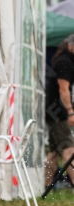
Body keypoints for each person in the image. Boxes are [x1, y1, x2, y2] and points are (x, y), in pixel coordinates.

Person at [45, 35, 74, 187]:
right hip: (58, 112)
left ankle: (45, 185)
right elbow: (63, 90)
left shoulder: (64, 60)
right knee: (69, 149)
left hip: (52, 111)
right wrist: (70, 112)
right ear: (70, 46)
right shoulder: (65, 62)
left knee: (54, 152)